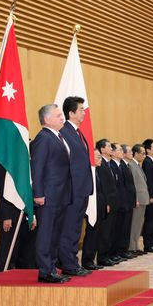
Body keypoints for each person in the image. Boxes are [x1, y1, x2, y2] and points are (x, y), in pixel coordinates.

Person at [31, 104, 72, 283]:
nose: (62, 118)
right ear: (47, 119)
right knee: (46, 234)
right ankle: (45, 271)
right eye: (58, 115)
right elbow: (37, 168)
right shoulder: (43, 138)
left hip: (60, 195)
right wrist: (38, 193)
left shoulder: (58, 137)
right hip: (48, 196)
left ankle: (52, 268)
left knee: (55, 234)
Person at [58, 96, 93, 277]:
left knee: (76, 229)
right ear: (71, 113)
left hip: (82, 190)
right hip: (71, 191)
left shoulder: (78, 133)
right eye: (81, 109)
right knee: (69, 228)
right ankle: (69, 265)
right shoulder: (64, 132)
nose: (84, 112)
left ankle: (73, 262)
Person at [0, 195, 37, 272]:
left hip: (25, 215)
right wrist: (6, 216)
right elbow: (4, 192)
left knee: (25, 253)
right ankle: (3, 278)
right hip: (11, 215)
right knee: (7, 252)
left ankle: (21, 277)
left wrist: (32, 215)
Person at [95, 139, 119, 267]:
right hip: (106, 202)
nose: (111, 148)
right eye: (109, 146)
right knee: (104, 232)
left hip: (112, 201)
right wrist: (107, 203)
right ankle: (102, 257)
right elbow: (103, 186)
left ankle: (107, 255)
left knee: (109, 231)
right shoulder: (101, 164)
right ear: (102, 149)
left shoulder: (107, 163)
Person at [80, 149, 106, 270]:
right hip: (90, 207)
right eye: (98, 157)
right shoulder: (88, 172)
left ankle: (91, 259)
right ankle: (87, 260)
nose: (100, 159)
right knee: (91, 234)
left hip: (99, 206)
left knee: (96, 234)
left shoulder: (97, 171)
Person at [128, 144, 149, 255]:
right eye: (142, 153)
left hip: (143, 199)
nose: (144, 156)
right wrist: (135, 199)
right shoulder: (131, 165)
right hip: (138, 199)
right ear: (135, 154)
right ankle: (131, 247)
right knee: (134, 224)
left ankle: (136, 245)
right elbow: (133, 185)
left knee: (139, 224)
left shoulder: (138, 165)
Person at [120, 144, 137, 259]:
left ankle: (124, 250)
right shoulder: (120, 166)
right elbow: (122, 187)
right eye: (129, 151)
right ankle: (120, 251)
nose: (132, 153)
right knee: (122, 228)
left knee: (126, 228)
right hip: (123, 203)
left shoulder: (126, 165)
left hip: (129, 202)